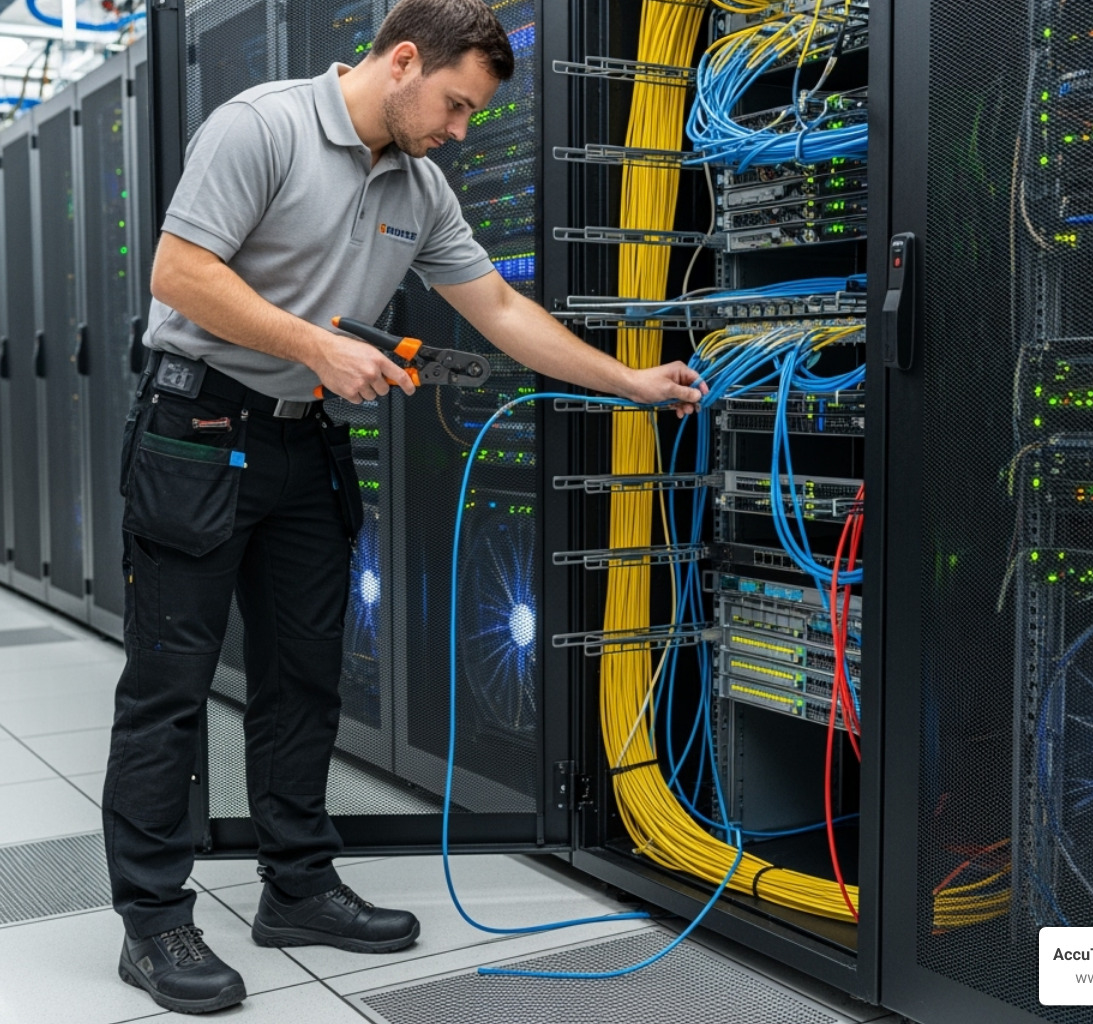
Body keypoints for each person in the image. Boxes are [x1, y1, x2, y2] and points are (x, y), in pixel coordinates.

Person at [103, 0, 705, 1013]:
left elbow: (501, 309)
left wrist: (632, 383)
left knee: (304, 681)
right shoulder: (263, 128)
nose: (462, 131)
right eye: (458, 105)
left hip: (301, 445)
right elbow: (178, 272)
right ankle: (155, 923)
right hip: (194, 434)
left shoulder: (420, 190)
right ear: (403, 61)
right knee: (168, 692)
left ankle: (298, 885)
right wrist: (316, 344)